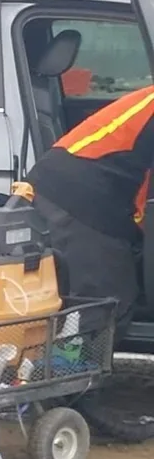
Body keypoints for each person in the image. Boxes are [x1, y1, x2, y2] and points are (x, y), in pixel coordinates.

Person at [24, 84, 153, 312]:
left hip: (87, 188)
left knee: (111, 299)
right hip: (79, 195)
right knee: (102, 305)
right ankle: (78, 336)